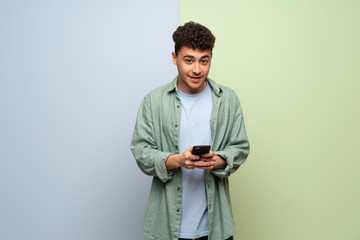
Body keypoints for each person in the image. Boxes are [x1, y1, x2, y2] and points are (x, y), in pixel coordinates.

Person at [130, 21, 250, 240]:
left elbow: (240, 147)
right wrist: (178, 160)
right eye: (189, 60)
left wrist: (218, 161)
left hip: (216, 228)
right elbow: (141, 151)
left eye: (204, 61)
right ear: (174, 58)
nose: (197, 69)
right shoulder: (153, 101)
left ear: (211, 59)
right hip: (167, 227)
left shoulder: (228, 99)